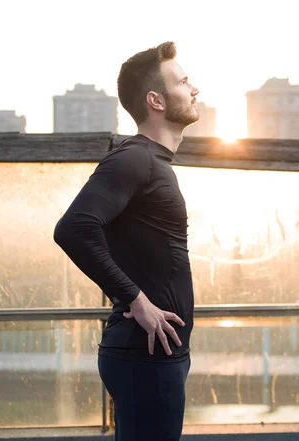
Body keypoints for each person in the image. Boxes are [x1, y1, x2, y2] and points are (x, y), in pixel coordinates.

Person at [53, 41, 199, 441]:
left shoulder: (154, 163)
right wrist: (137, 301)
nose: (194, 89)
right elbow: (73, 229)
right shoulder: (135, 158)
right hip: (142, 355)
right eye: (184, 82)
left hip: (158, 355)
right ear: (155, 100)